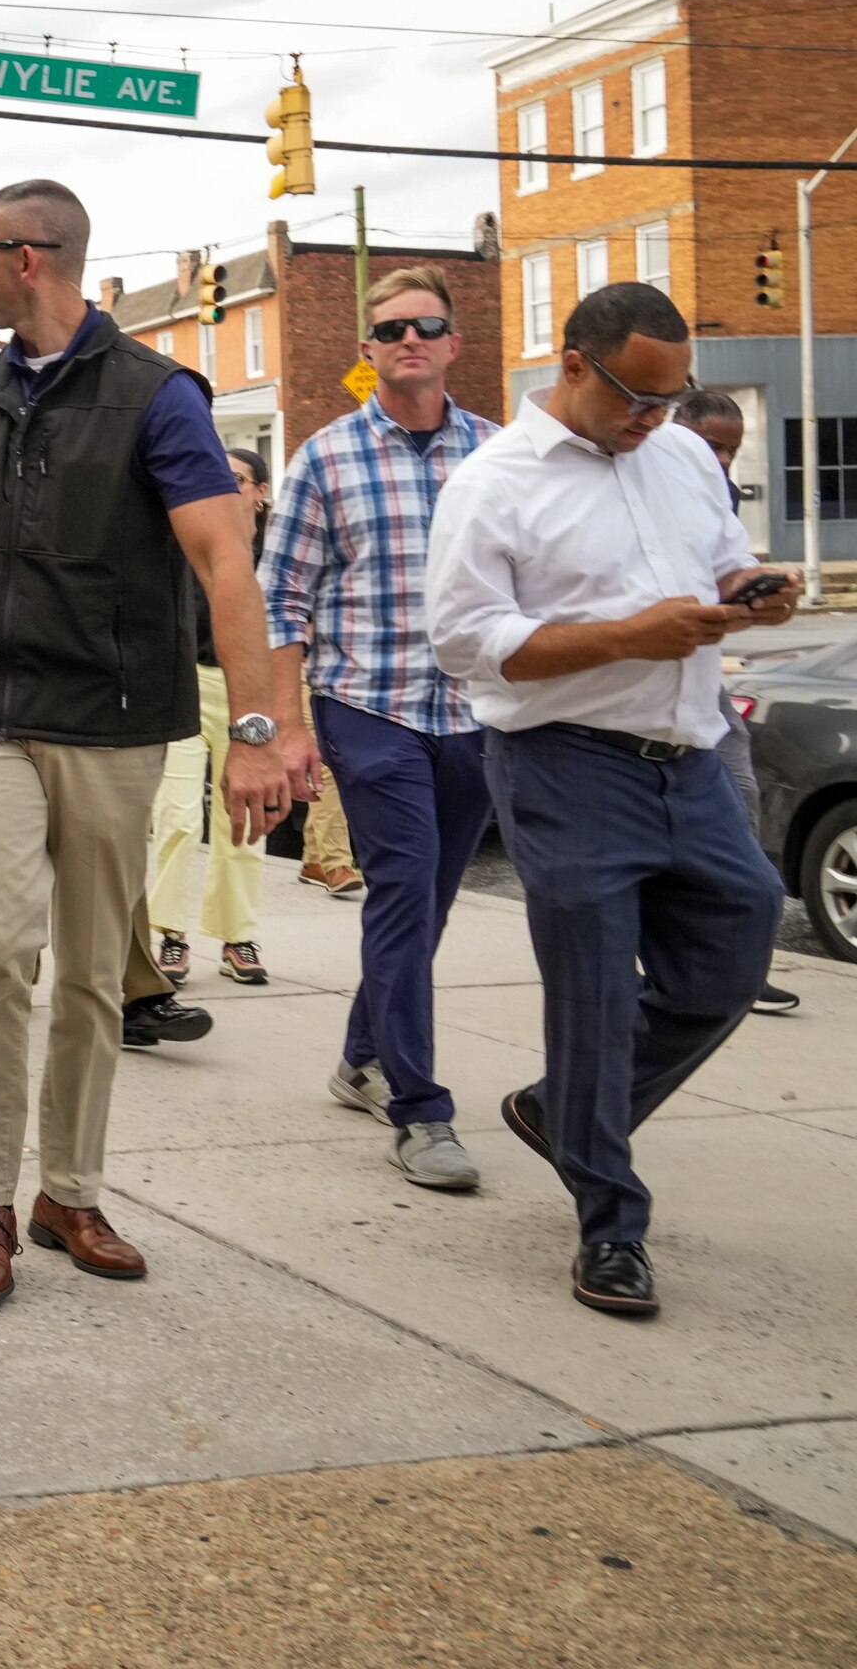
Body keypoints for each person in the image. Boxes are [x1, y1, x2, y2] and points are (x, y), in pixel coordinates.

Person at [0, 179, 315, 1311]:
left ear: (29, 258)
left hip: (117, 722)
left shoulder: (157, 398)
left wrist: (259, 727)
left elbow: (228, 565)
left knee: (90, 971)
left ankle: (66, 1189)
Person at [428, 282, 791, 1315]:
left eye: (672, 399)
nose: (654, 419)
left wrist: (756, 591)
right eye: (637, 395)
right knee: (591, 992)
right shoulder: (494, 483)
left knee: (743, 927)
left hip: (689, 749)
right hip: (563, 761)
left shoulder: (676, 455)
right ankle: (611, 1228)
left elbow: (720, 569)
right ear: (575, 365)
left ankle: (566, 1110)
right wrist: (631, 635)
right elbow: (465, 642)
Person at [259, 272, 503, 1189]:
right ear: (367, 350)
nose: (409, 338)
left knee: (428, 906)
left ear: (452, 343)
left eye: (426, 325)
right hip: (368, 708)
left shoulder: (497, 453)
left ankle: (361, 1055)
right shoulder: (323, 459)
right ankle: (420, 1109)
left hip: (474, 715)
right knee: (401, 890)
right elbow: (279, 600)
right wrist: (287, 728)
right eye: (389, 328)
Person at [675, 387, 798, 1016]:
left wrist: (761, 593)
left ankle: (743, 964)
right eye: (713, 445)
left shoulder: (716, 492)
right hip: (643, 681)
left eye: (732, 449)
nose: (723, 459)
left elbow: (726, 573)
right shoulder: (655, 479)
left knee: (741, 791)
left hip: (697, 677)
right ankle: (698, 960)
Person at [145, 445, 281, 993]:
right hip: (184, 683)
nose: (227, 488)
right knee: (176, 814)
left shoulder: (277, 550)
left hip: (250, 690)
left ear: (261, 492)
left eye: (239, 480)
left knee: (245, 819)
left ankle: (237, 937)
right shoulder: (190, 533)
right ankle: (171, 934)